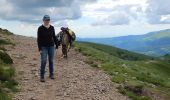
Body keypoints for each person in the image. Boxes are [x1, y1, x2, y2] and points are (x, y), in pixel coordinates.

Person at [37, 15, 58, 82]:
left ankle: (51, 74)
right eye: (46, 20)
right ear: (43, 20)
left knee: (51, 61)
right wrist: (39, 49)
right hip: (43, 47)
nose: (47, 21)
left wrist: (57, 44)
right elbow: (39, 39)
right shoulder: (40, 28)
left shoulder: (52, 27)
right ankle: (42, 76)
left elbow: (54, 37)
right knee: (44, 61)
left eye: (48, 20)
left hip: (51, 46)